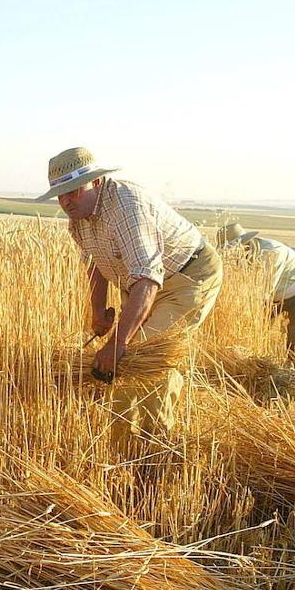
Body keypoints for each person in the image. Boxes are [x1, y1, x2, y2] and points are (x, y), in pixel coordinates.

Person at [41, 147, 223, 435]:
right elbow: (96, 262)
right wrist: (98, 310)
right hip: (138, 285)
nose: (66, 201)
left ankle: (154, 447)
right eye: (61, 194)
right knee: (135, 358)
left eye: (74, 191)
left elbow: (148, 279)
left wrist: (118, 343)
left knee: (141, 360)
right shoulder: (78, 218)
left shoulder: (126, 207)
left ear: (96, 182)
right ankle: (128, 444)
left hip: (186, 276)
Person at [220, 224, 295, 355]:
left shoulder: (271, 253)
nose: (231, 253)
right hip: (275, 295)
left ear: (245, 243)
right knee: (256, 329)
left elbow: (263, 293)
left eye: (233, 249)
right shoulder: (237, 259)